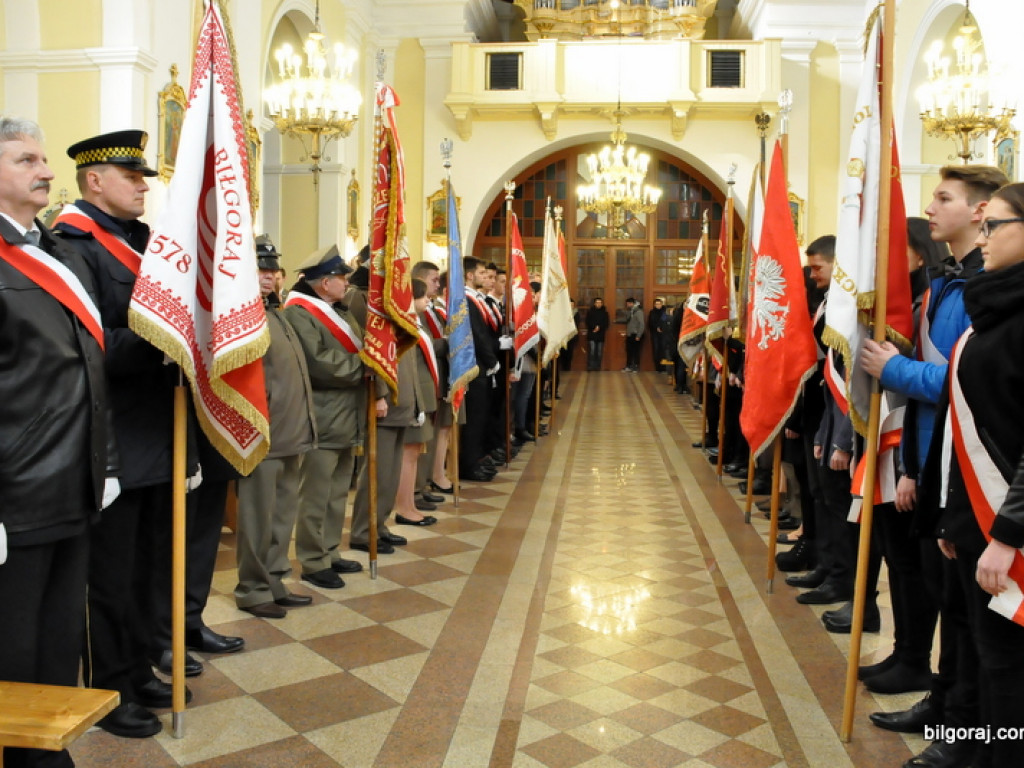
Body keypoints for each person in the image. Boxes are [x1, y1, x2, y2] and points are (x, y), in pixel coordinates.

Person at [55, 129, 216, 739]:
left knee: (151, 564)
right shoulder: (73, 246)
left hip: (159, 429)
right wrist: (166, 338)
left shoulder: (144, 241)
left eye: (144, 176)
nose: (144, 186)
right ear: (95, 181)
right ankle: (109, 684)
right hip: (114, 437)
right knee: (111, 573)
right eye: (131, 177)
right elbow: (89, 345)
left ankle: (141, 663)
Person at [860, 165, 1007, 768]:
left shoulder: (986, 288)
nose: (930, 207)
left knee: (975, 622)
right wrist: (913, 467)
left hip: (974, 472)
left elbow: (961, 383)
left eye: (944, 197)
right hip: (934, 459)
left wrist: (893, 369)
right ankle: (945, 706)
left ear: (980, 212)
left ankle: (968, 729)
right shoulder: (949, 281)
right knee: (950, 603)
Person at [0, 117, 116, 767]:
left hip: (72, 483)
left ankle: (46, 753)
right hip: (16, 493)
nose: (46, 171)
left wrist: (106, 464)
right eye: (25, 160)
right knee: (11, 646)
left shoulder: (52, 253)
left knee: (58, 636)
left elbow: (89, 369)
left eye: (43, 159)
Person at [929, 183, 1024, 768]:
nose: (982, 239)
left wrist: (1007, 535)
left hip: (1010, 530)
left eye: (995, 226)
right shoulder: (988, 310)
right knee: (986, 658)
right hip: (977, 522)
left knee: (1010, 669)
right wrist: (956, 517)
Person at [234, 236, 318, 618]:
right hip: (262, 433)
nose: (268, 276)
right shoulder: (241, 316)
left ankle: (274, 580)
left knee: (283, 513)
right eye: (260, 269)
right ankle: (252, 589)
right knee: (257, 516)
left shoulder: (277, 313)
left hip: (291, 431)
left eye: (272, 270)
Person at [283, 245, 365, 588]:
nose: (347, 282)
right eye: (341, 278)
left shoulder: (338, 311)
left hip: (346, 414)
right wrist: (364, 366)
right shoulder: (300, 313)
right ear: (324, 282)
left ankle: (330, 551)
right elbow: (317, 363)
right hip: (322, 414)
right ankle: (313, 561)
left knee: (337, 492)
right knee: (315, 495)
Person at [585, 297, 609, 371]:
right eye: (597, 302)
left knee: (599, 352)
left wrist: (599, 327)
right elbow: (587, 322)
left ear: (602, 304)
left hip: (600, 334)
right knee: (592, 351)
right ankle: (590, 366)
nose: (598, 304)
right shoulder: (590, 312)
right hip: (592, 333)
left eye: (600, 303)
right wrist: (594, 327)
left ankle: (597, 366)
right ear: (594, 303)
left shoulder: (605, 313)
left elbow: (606, 323)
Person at [622, 297, 644, 371]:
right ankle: (629, 366)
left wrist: (639, 335)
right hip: (630, 334)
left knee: (635, 352)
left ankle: (636, 367)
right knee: (629, 351)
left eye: (628, 303)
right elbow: (627, 320)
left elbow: (642, 324)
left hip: (636, 334)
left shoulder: (639, 312)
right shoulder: (630, 311)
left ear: (632, 303)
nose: (627, 305)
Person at [648, 297, 667, 372]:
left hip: (664, 334)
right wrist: (656, 328)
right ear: (654, 305)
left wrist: (662, 328)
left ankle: (664, 367)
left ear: (662, 304)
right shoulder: (652, 312)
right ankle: (658, 367)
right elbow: (650, 322)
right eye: (656, 304)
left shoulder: (665, 312)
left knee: (664, 350)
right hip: (655, 334)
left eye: (659, 304)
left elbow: (666, 321)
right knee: (656, 350)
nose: (658, 305)